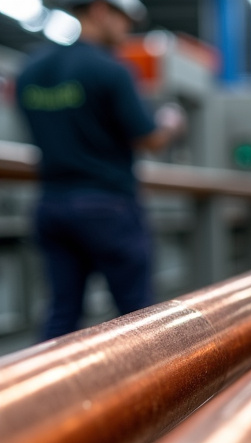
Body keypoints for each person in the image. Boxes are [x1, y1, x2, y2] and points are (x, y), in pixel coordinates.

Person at [17, 0, 186, 341]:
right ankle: (147, 391)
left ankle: (46, 391)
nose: (127, 29)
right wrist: (171, 123)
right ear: (99, 10)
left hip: (51, 205)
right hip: (107, 206)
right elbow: (149, 138)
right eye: (123, 19)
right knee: (138, 317)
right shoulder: (111, 70)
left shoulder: (30, 71)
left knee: (61, 314)